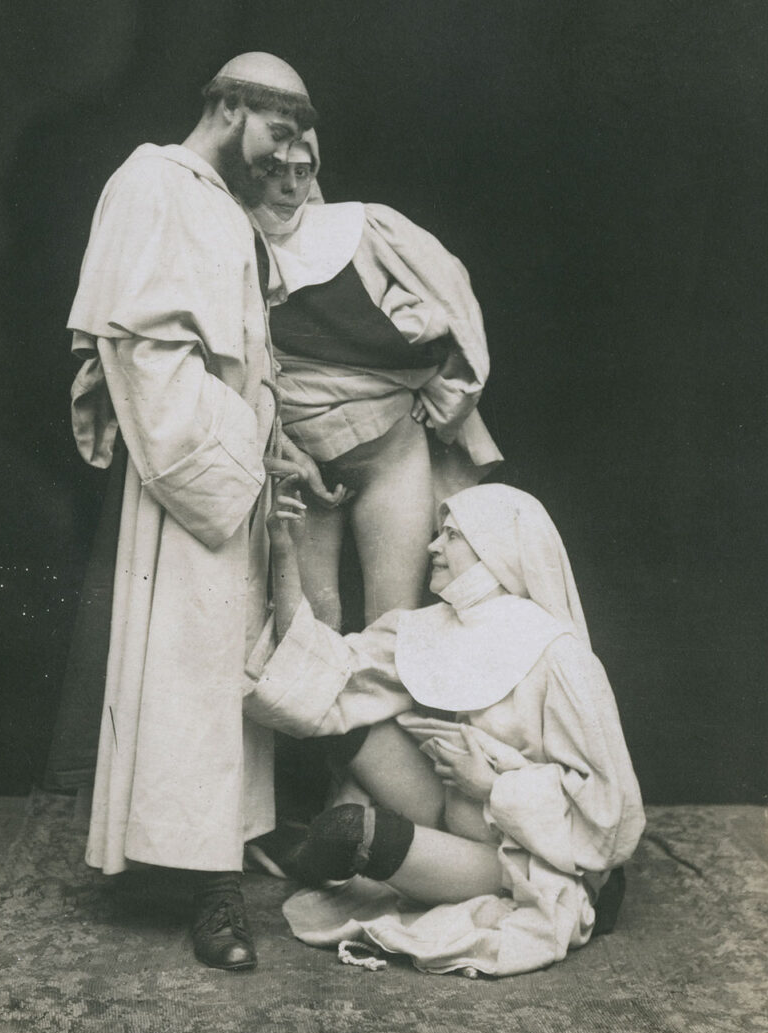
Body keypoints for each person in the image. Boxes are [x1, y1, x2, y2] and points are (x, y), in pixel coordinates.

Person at [67, 52, 340, 972]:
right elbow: (140, 350)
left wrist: (274, 443)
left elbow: (245, 356)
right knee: (191, 670)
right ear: (228, 108)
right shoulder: (153, 181)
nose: (282, 158)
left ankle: (215, 851)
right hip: (192, 471)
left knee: (221, 670)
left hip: (231, 461)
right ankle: (210, 888)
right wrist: (228, 456)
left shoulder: (222, 204)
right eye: (275, 134)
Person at [243, 482, 646, 977]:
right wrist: (284, 555)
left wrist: (494, 786)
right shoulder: (426, 627)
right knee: (340, 709)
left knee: (347, 832)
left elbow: (611, 808)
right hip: (445, 807)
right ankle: (313, 856)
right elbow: (315, 675)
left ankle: (311, 857)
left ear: (499, 549)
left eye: (452, 535)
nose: (433, 546)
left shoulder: (560, 656)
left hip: (517, 854)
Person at [249, 133, 503, 630]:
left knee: (395, 622)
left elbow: (450, 305)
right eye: (275, 171)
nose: (290, 187)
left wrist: (434, 381)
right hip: (297, 460)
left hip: (389, 455)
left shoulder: (365, 227)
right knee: (308, 630)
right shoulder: (228, 243)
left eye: (302, 171)